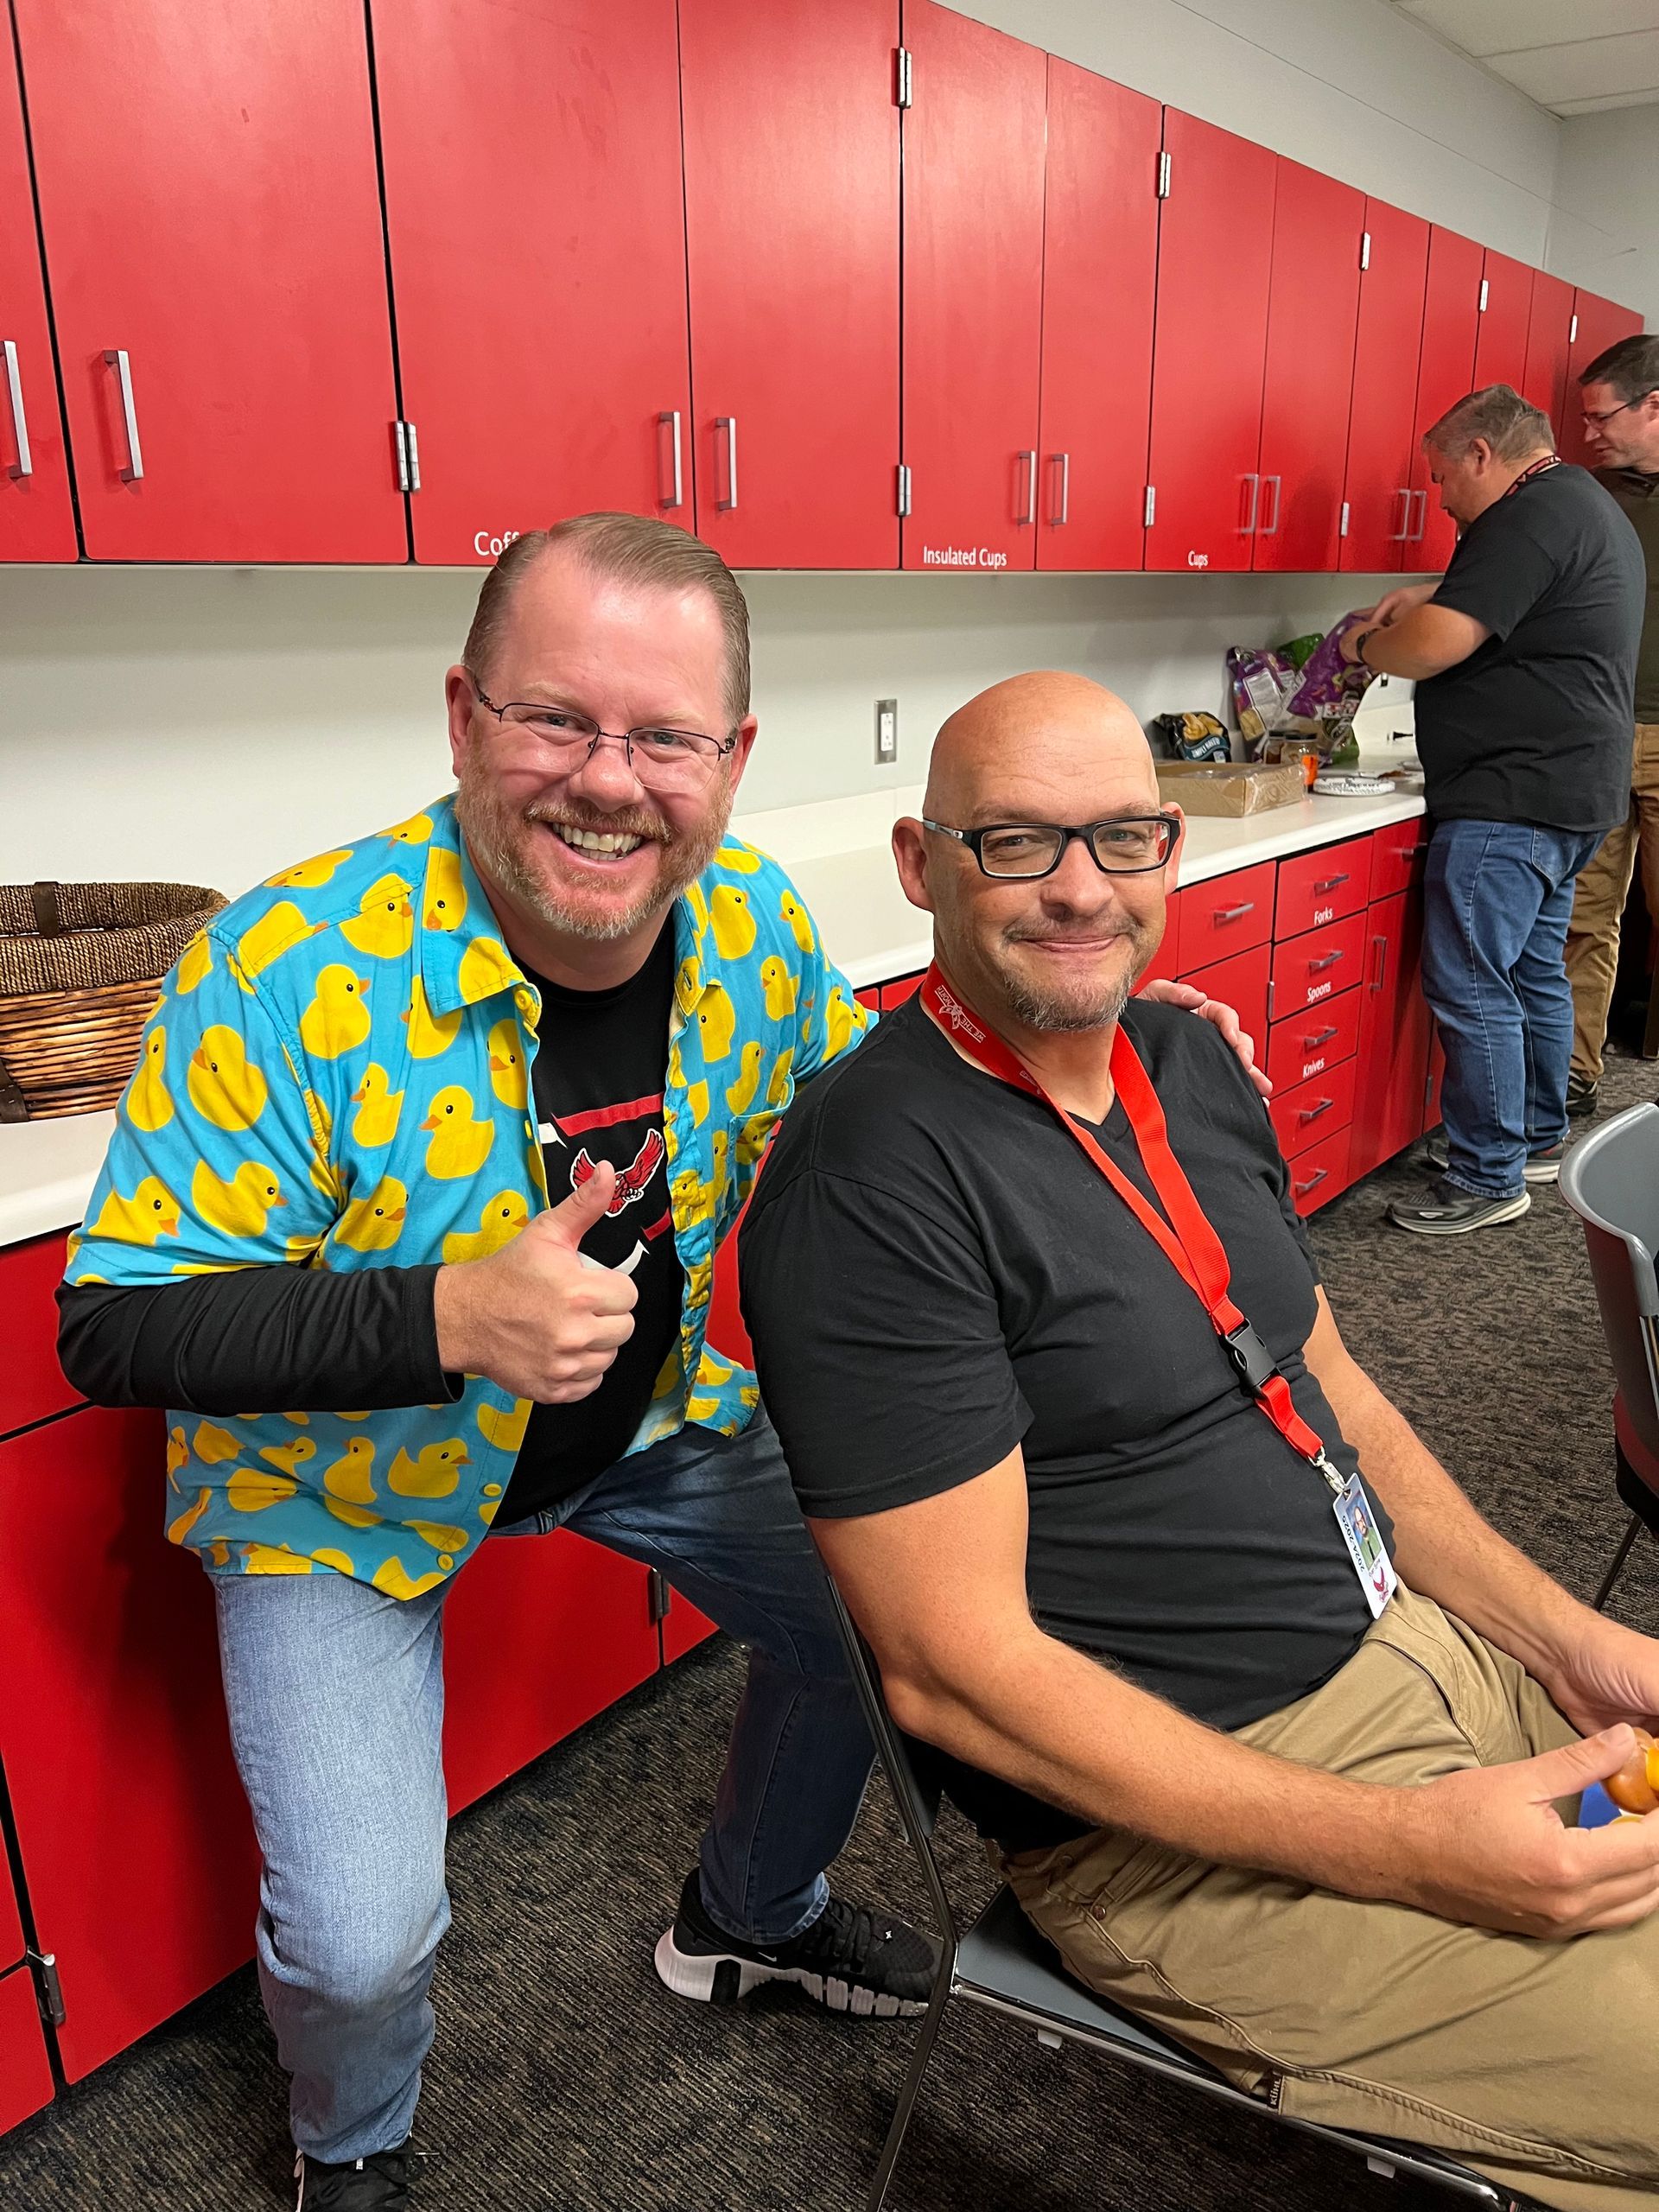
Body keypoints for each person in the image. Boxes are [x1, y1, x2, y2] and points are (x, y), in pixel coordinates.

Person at [55, 517, 1255, 2211]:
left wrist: (1100, 1031)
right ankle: (351, 2145)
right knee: (357, 1934)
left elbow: (870, 1118)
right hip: (339, 1488)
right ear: (466, 717)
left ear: (732, 759)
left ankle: (748, 1916)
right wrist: (447, 1316)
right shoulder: (279, 971)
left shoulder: (750, 922)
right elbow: (112, 1321)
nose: (608, 782)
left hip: (660, 1425)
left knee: (892, 1607)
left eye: (664, 736)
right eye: (555, 719)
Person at [740, 671, 1659, 2212]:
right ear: (921, 866)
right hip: (1212, 1826)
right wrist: (1405, 1847)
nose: (1082, 889)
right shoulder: (872, 1184)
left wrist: (1574, 1643)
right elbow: (953, 1673)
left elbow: (1336, 1396)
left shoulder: (1183, 1065)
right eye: (1017, 844)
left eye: (1122, 838)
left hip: (1429, 1655)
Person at [1337, 384, 1643, 1236]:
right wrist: (1436, 588)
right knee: (1532, 972)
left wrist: (1364, 643)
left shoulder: (1522, 517)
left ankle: (1486, 1173)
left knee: (1475, 986)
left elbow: (1435, 647)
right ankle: (1535, 1138)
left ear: (1482, 455)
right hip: (1575, 791)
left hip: (1513, 796)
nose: (1437, 496)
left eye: (1440, 476)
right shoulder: (1580, 502)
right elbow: (1519, 602)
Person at [1564, 334, 1659, 1117]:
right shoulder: (1592, 496)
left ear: (1654, 404)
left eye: (1601, 416)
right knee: (1585, 916)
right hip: (1597, 732)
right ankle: (1574, 1074)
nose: (1589, 431)